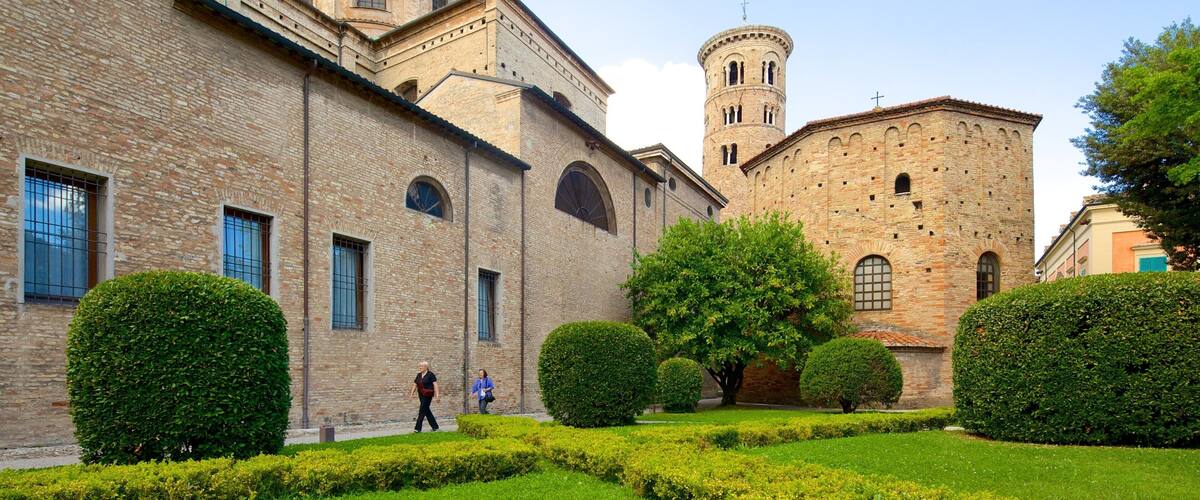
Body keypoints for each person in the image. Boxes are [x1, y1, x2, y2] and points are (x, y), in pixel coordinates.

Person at [409, 361, 439, 432]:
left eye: (421, 366)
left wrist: (437, 395)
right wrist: (411, 394)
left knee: (422, 410)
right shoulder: (418, 375)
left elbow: (435, 385)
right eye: (419, 366)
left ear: (426, 367)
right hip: (421, 395)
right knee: (426, 410)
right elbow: (415, 384)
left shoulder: (431, 375)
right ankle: (435, 426)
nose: (420, 367)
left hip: (428, 395)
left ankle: (417, 428)